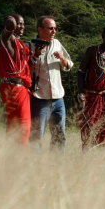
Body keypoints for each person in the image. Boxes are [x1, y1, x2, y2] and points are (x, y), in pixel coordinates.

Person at [29, 16, 73, 151]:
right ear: (40, 29)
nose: (54, 31)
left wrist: (62, 59)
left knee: (59, 136)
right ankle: (33, 167)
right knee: (36, 136)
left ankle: (56, 167)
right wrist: (35, 56)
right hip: (40, 99)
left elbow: (69, 65)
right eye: (50, 28)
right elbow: (24, 69)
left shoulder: (57, 44)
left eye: (55, 28)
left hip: (58, 99)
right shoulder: (29, 46)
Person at [0, 15, 32, 146]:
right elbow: (6, 32)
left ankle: (10, 157)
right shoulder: (8, 40)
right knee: (23, 125)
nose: (21, 26)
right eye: (19, 24)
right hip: (14, 88)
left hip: (19, 88)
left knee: (15, 125)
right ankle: (19, 157)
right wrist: (10, 23)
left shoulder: (20, 44)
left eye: (23, 24)